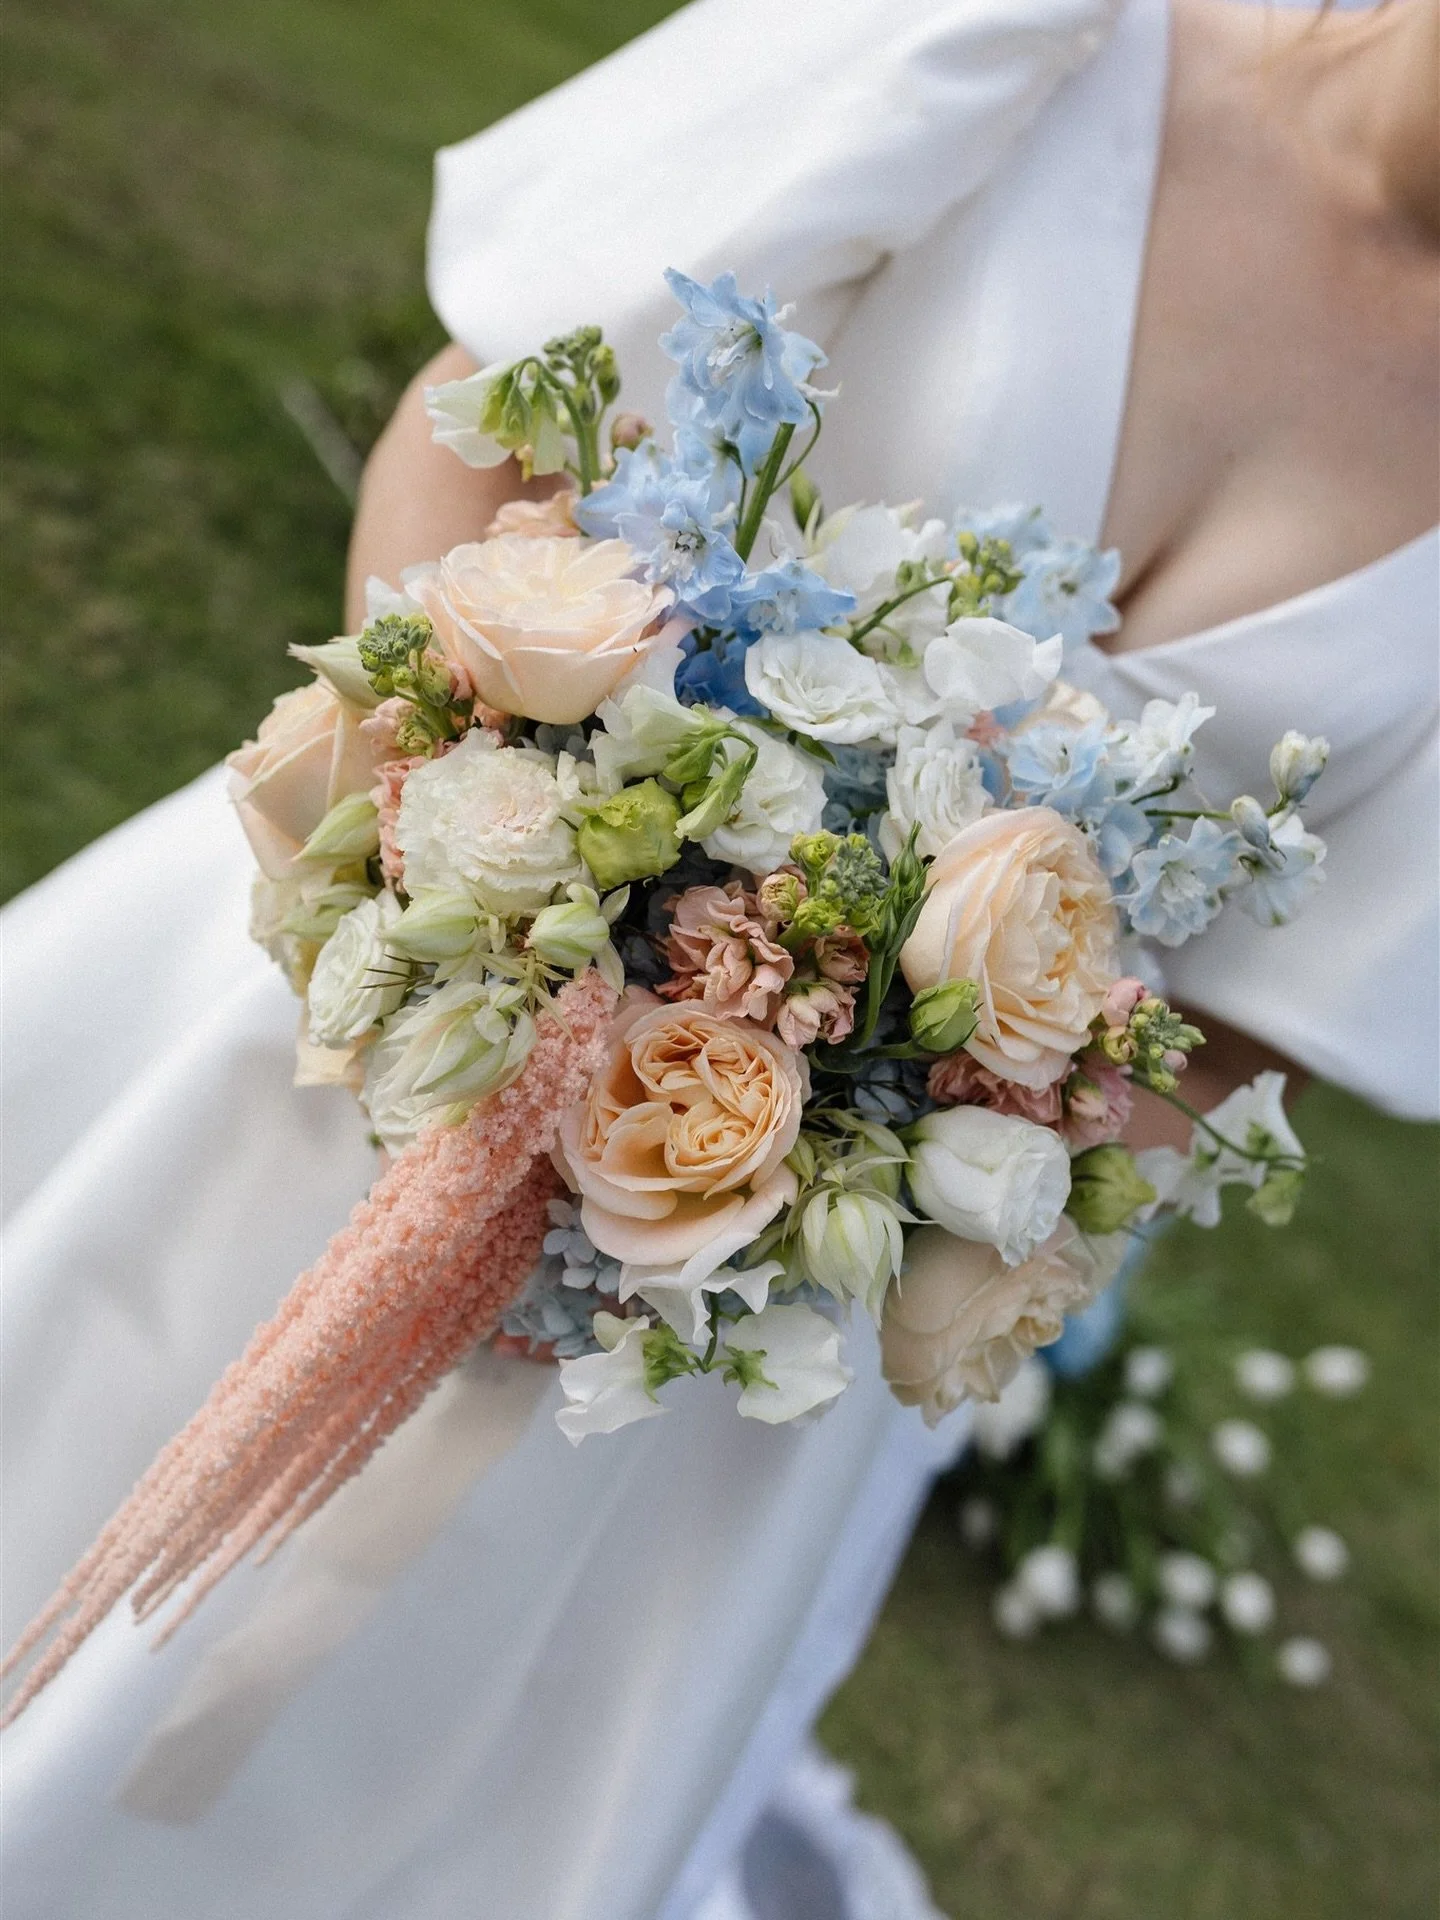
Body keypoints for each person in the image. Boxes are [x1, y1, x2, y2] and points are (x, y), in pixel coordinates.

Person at [2, 1, 1435, 1915]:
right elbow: (481, 421)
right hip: (357, 1006)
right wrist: (475, 935)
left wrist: (815, 1167)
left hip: (735, 1326)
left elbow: (1239, 1041)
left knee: (388, 1795)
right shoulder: (1042, 39)